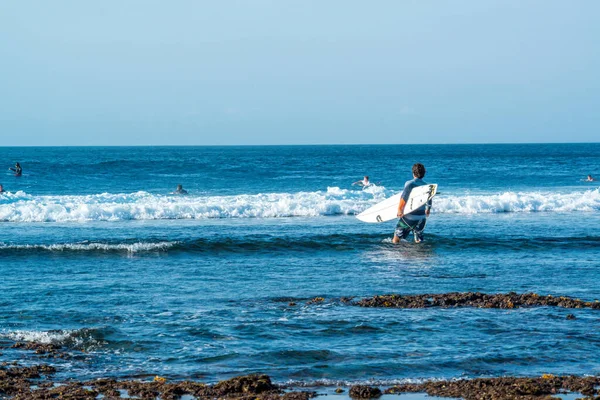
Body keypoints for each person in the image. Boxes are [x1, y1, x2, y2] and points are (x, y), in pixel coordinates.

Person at [393, 163, 432, 244]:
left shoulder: (410, 183)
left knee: (396, 239)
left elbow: (404, 197)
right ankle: (420, 254)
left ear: (413, 173)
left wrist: (400, 210)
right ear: (424, 173)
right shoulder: (427, 185)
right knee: (418, 240)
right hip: (421, 218)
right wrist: (428, 210)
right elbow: (429, 198)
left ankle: (396, 253)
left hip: (410, 217)